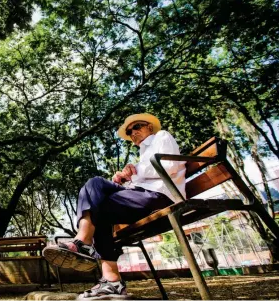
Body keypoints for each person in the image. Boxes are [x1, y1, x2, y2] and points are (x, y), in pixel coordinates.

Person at [43, 113, 186, 299]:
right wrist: (125, 180)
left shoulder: (162, 137)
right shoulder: (142, 154)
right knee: (95, 187)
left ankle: (84, 244)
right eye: (129, 131)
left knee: (98, 202)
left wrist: (132, 172)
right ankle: (110, 279)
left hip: (160, 197)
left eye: (137, 127)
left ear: (150, 127)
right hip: (142, 195)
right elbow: (139, 179)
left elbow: (169, 166)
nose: (133, 132)